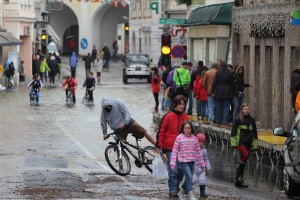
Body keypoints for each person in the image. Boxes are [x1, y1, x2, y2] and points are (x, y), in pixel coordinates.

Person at [156, 95, 189, 197]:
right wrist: (159, 145)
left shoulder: (185, 117)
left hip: (182, 147)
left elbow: (189, 132)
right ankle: (173, 189)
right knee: (172, 168)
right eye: (180, 104)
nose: (182, 106)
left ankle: (176, 185)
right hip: (169, 147)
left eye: (183, 104)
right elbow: (161, 131)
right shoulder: (168, 116)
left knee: (182, 169)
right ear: (175, 105)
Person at [170, 121, 204, 200]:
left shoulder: (194, 139)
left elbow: (198, 152)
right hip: (183, 162)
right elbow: (174, 150)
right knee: (189, 176)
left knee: (190, 178)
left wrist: (202, 163)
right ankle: (191, 195)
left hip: (192, 162)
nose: (188, 130)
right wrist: (172, 162)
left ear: (191, 129)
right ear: (183, 129)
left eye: (189, 128)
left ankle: (181, 191)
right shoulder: (179, 138)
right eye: (186, 128)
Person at [230, 103, 258, 188]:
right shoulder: (238, 120)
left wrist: (255, 144)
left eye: (248, 109)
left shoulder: (252, 120)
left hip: (248, 143)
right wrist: (233, 143)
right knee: (246, 155)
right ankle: (238, 174)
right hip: (240, 142)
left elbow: (255, 132)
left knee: (244, 160)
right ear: (242, 110)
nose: (247, 111)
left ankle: (239, 178)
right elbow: (233, 132)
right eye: (245, 109)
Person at [211, 61, 235, 126]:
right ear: (226, 66)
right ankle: (225, 121)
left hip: (219, 91)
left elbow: (214, 83)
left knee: (219, 106)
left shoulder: (218, 72)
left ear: (220, 66)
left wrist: (213, 91)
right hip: (228, 91)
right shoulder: (230, 72)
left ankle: (218, 120)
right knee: (226, 107)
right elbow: (232, 83)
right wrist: (234, 91)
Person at [193, 133, 211, 198]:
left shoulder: (204, 150)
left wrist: (208, 166)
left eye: (202, 142)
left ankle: (202, 192)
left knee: (202, 180)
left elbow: (206, 159)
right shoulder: (193, 149)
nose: (200, 143)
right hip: (194, 169)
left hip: (202, 169)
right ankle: (186, 188)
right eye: (199, 142)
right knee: (193, 180)